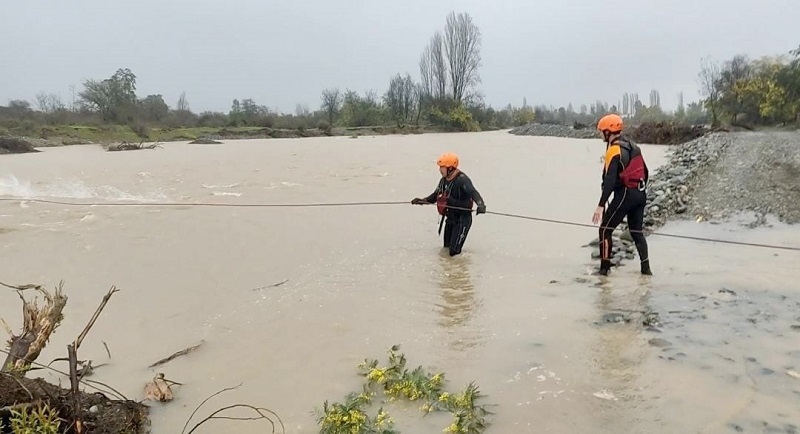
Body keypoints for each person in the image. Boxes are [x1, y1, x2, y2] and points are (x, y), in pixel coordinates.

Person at [591, 113, 652, 276]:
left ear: (607, 132)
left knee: (605, 230)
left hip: (626, 194)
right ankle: (646, 270)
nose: (600, 134)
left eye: (601, 131)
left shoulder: (614, 150)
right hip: (640, 193)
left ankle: (604, 271)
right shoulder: (634, 146)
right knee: (636, 232)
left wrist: (601, 205)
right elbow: (645, 173)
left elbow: (610, 181)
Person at [412, 152, 487, 257]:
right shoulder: (443, 181)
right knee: (446, 250)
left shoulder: (462, 180)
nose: (440, 170)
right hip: (450, 218)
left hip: (462, 220)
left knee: (453, 253)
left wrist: (481, 205)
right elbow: (435, 196)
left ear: (451, 168)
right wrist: (421, 201)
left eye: (442, 167)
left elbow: (473, 193)